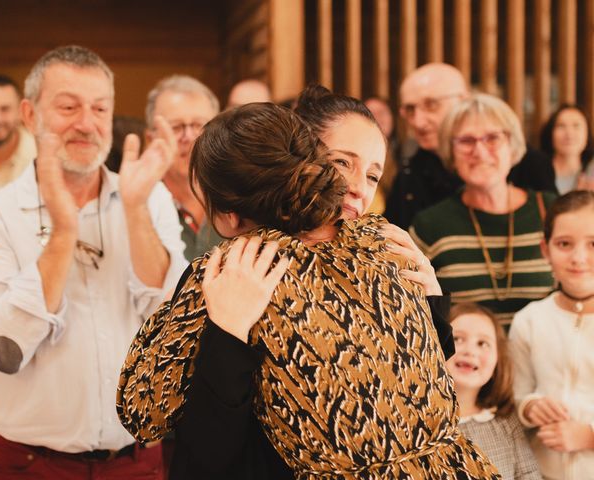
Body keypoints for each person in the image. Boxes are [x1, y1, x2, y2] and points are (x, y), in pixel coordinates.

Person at [118, 101, 499, 479]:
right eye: (341, 163)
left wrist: (432, 302)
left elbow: (141, 411)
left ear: (227, 212)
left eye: (372, 175)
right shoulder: (374, 240)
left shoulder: (378, 243)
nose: (355, 189)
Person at [0, 45, 188, 479]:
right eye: (68, 107)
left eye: (100, 108)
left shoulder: (149, 198)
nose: (87, 123)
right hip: (26, 463)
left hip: (136, 461)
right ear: (30, 115)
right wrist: (63, 232)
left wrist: (136, 210)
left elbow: (172, 327)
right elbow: (2, 350)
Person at [410, 93, 555, 328]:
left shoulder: (551, 211)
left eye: (492, 138)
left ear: (513, 145)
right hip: (463, 364)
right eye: (466, 140)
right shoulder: (429, 225)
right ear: (451, 152)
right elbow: (416, 312)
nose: (479, 151)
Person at [385, 63, 555, 229]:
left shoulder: (529, 164)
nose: (419, 122)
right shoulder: (410, 174)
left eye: (431, 105)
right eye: (410, 109)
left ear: (464, 101)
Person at [509, 190, 594, 479]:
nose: (579, 258)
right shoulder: (529, 320)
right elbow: (514, 395)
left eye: (593, 243)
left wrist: (589, 437)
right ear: (546, 250)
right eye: (564, 244)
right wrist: (530, 406)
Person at [447, 302, 542, 479]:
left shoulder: (506, 422)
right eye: (456, 339)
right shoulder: (421, 424)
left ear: (498, 361)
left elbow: (529, 474)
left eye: (482, 343)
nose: (470, 351)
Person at [145, 75, 221, 261]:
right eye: (176, 127)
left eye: (199, 125)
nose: (189, 137)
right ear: (150, 139)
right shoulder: (139, 207)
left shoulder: (241, 199)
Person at [539, 104, 594, 193]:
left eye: (576, 126)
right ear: (550, 134)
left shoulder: (591, 172)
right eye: (561, 126)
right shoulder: (536, 172)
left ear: (587, 135)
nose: (569, 133)